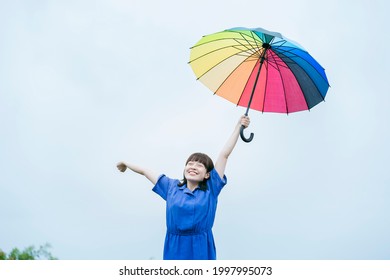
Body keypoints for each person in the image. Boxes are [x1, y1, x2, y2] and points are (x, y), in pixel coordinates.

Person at [116, 115, 250, 260]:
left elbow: (224, 155)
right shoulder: (171, 187)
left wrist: (238, 126)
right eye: (190, 163)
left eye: (199, 165)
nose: (193, 167)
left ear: (207, 175)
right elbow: (146, 171)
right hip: (175, 247)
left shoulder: (211, 188)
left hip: (201, 248)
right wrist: (125, 163)